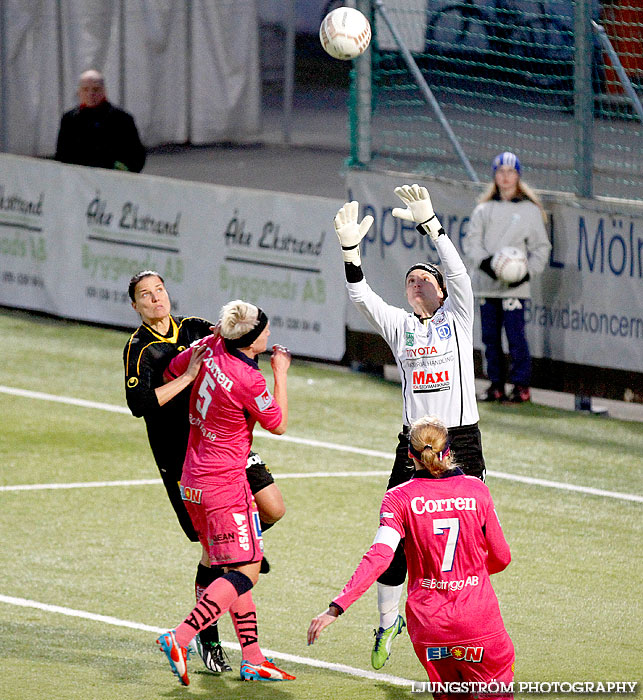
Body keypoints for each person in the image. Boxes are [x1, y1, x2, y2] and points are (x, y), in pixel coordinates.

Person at [333, 185, 487, 669]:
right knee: (392, 534)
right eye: (410, 280)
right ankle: (386, 622)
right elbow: (359, 295)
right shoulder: (402, 326)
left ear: (442, 292)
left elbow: (460, 271)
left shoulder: (458, 320)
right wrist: (350, 252)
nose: (416, 284)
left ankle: (467, 623)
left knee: (469, 540)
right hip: (412, 446)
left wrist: (432, 226)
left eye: (425, 279)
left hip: (460, 441)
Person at [123, 271, 286, 674]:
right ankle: (206, 638)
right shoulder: (140, 348)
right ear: (135, 306)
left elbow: (222, 338)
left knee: (273, 509)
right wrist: (190, 377)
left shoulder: (196, 328)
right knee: (215, 555)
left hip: (225, 446)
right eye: (146, 295)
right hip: (184, 456)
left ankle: (242, 553)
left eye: (159, 290)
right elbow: (142, 403)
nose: (156, 299)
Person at [308, 415, 513, 700]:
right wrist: (469, 576)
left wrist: (336, 607)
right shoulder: (477, 491)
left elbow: (380, 557)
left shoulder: (398, 498)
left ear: (409, 454)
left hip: (430, 628)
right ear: (449, 451)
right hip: (478, 621)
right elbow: (502, 557)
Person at [155, 299, 296, 686]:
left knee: (232, 568)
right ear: (251, 341)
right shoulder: (249, 378)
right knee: (247, 569)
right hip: (224, 483)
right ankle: (181, 637)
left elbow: (171, 368)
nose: (269, 332)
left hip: (192, 478)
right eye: (265, 329)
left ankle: (251, 659)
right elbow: (279, 423)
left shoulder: (207, 347)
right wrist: (280, 373)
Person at [465, 151, 551, 403]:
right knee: (489, 338)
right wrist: (487, 265)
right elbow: (472, 243)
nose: (505, 176)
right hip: (487, 285)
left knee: (515, 335)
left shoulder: (529, 211)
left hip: (515, 287)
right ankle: (496, 385)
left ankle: (521, 386)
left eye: (510, 171)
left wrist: (526, 274)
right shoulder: (483, 209)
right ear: (494, 175)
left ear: (518, 176)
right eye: (500, 171)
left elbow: (541, 247)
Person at [55, 69, 146, 172]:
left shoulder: (121, 119)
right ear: (79, 92)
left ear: (104, 91)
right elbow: (61, 156)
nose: (90, 94)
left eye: (95, 89)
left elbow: (136, 156)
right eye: (85, 89)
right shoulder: (69, 120)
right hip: (79, 181)